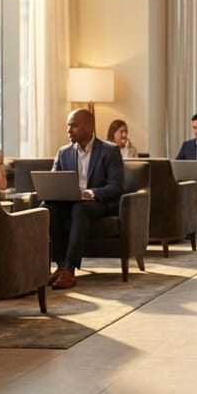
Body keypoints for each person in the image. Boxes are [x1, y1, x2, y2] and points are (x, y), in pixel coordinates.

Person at [45, 108, 125, 290]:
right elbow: (53, 180)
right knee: (49, 208)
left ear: (89, 127)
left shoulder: (109, 151)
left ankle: (70, 269)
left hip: (98, 203)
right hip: (70, 201)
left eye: (73, 126)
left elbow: (116, 186)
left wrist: (91, 193)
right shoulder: (63, 152)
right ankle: (61, 265)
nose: (68, 130)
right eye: (68, 126)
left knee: (80, 209)